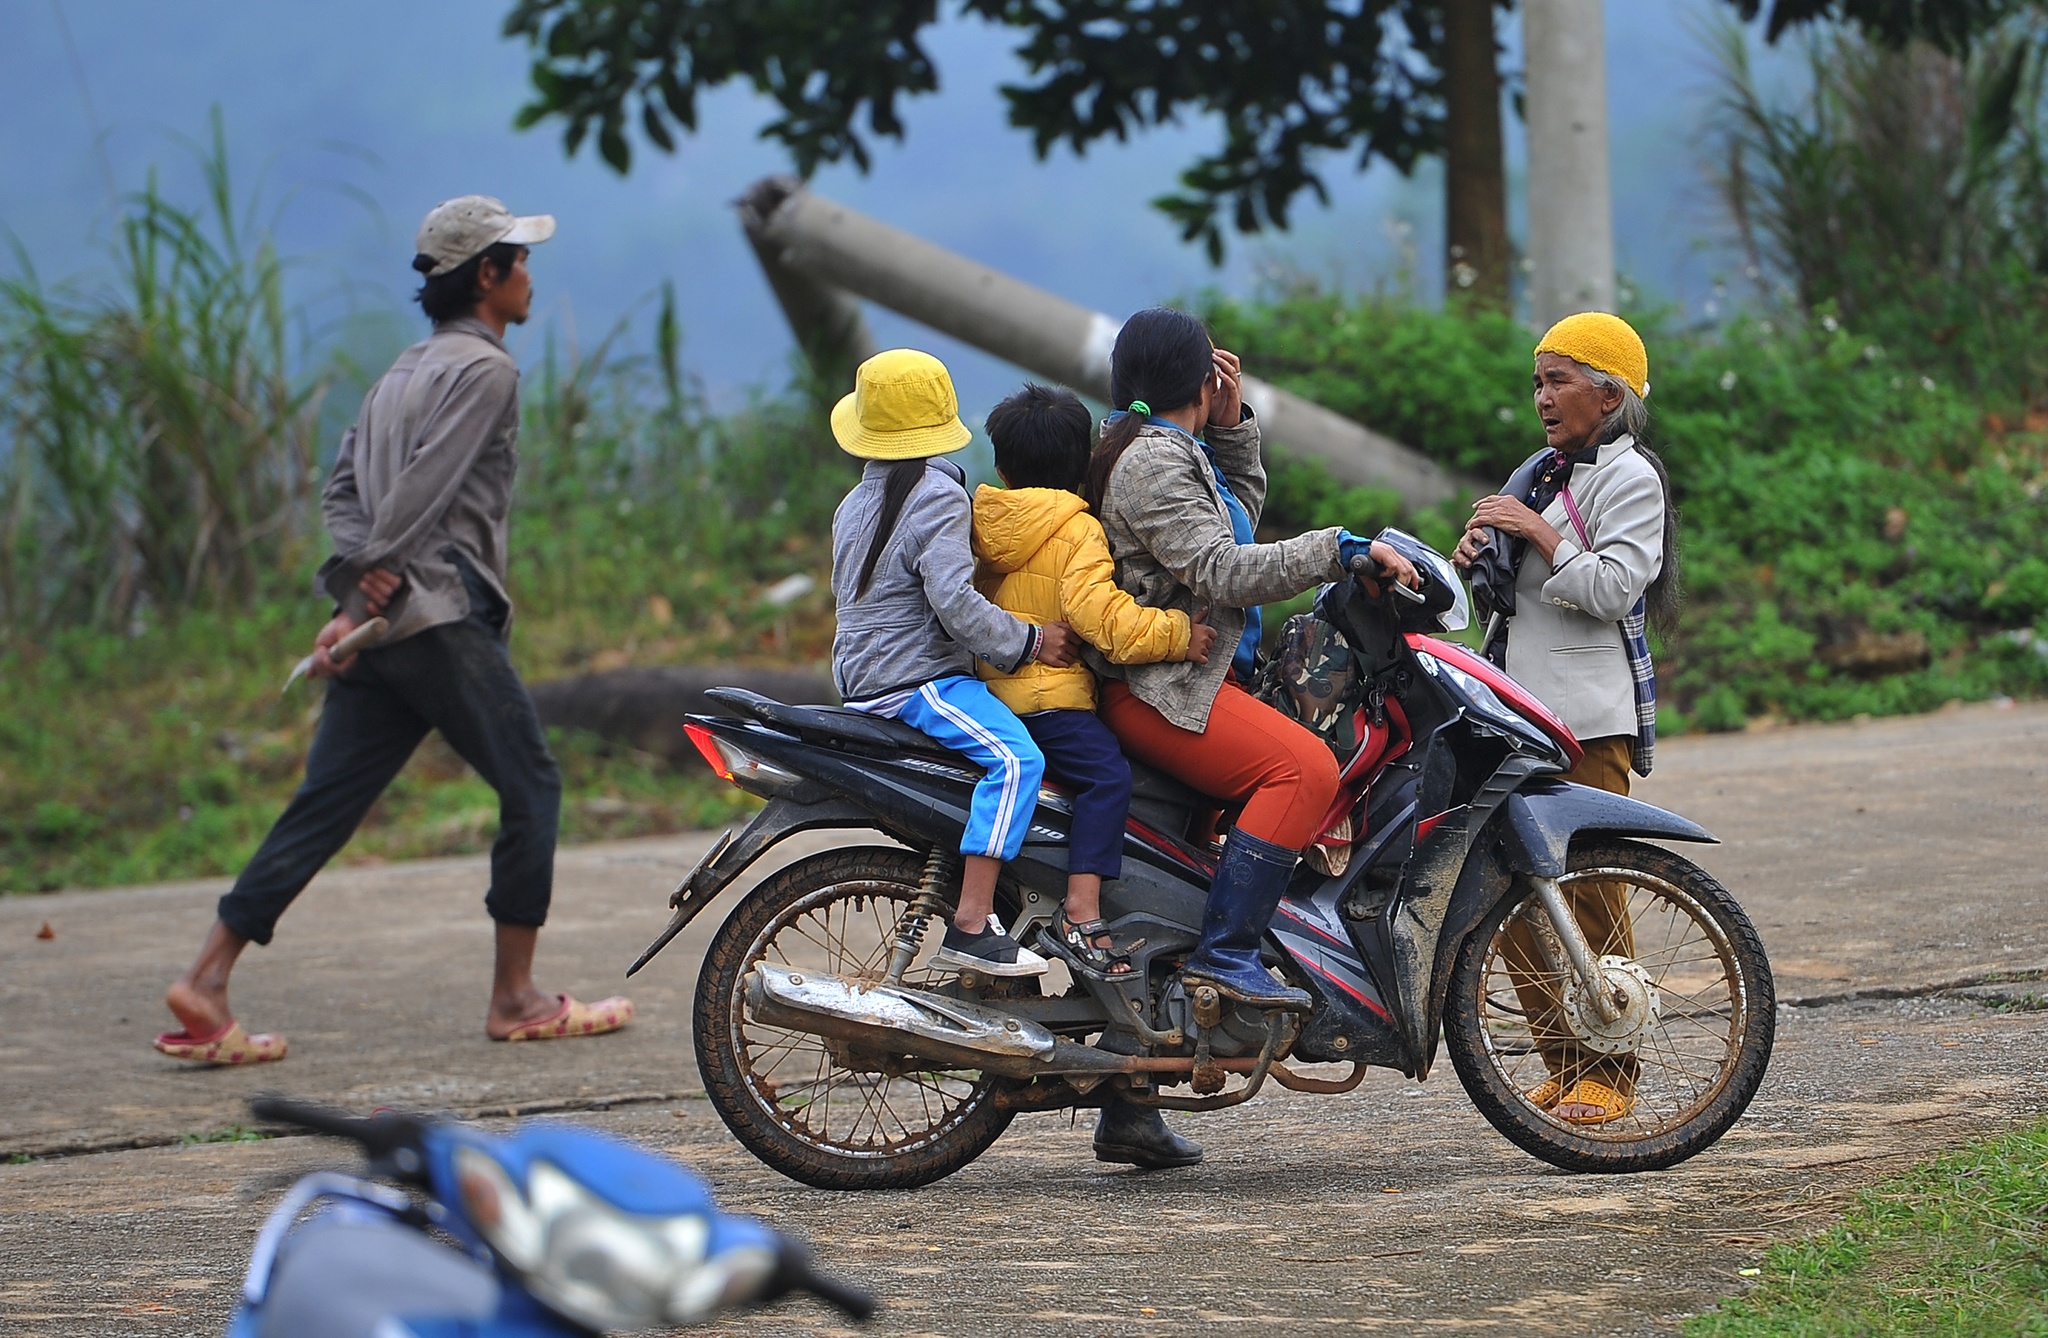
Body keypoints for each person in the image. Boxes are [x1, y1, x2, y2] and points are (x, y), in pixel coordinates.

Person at [156, 196, 632, 1066]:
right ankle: (517, 998)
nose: (529, 275)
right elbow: (426, 485)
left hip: (382, 627)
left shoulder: (399, 374)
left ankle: (207, 981)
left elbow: (342, 488)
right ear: (486, 274)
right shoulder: (486, 372)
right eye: (518, 260)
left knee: (326, 803)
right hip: (440, 615)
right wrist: (374, 566)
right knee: (532, 784)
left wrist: (355, 590)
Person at [1085, 308, 1419, 1014]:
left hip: (1196, 678)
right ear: (1201, 381)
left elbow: (1231, 526)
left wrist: (1231, 431)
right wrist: (1339, 549)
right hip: (1161, 686)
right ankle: (1228, 955)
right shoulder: (1151, 460)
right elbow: (1224, 569)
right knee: (1305, 769)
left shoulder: (1163, 447)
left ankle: (1160, 1056)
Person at [1452, 311, 1681, 1126]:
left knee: (1589, 888)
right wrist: (1479, 553)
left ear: (1608, 395)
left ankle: (1612, 1070)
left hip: (1586, 717)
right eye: (1537, 382)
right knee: (1501, 893)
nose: (1542, 397)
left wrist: (1535, 533)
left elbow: (1615, 591)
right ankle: (1563, 1057)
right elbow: (1514, 590)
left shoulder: (1631, 479)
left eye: (1559, 381)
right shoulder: (1542, 475)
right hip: (1516, 713)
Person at [827, 349, 1081, 977]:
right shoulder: (938, 495)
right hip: (917, 681)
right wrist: (1029, 641)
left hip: (859, 678)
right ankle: (970, 923)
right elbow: (955, 603)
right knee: (1017, 762)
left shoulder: (854, 501)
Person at [971, 383, 1219, 977]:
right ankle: (1082, 911)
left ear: (1002, 468)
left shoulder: (984, 524)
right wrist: (1178, 634)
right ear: (1084, 461)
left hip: (993, 694)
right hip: (1051, 700)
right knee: (1108, 777)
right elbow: (1103, 620)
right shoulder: (1075, 529)